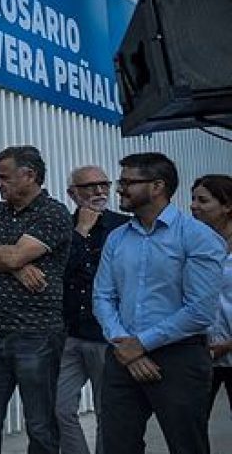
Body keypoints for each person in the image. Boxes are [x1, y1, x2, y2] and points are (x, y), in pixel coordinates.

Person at [93, 153, 224, 454]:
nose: (119, 189)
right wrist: (126, 346)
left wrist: (141, 344)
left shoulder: (198, 237)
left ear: (157, 186)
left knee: (186, 446)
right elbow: (102, 296)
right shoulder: (117, 238)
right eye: (121, 181)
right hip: (122, 355)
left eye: (128, 182)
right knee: (116, 446)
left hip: (179, 358)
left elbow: (200, 310)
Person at [0, 145, 72, 454]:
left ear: (29, 176)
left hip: (36, 334)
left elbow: (9, 255)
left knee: (39, 423)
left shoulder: (52, 213)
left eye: (4, 177)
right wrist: (16, 267)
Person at [56, 166, 128, 454]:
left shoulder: (123, 226)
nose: (99, 192)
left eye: (104, 185)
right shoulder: (63, 227)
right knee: (59, 408)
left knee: (106, 413)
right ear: (72, 193)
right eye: (90, 186)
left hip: (107, 335)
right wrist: (81, 231)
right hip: (70, 334)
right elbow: (58, 273)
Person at [192, 175, 232, 418]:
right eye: (193, 199)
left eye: (203, 200)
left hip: (226, 347)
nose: (194, 205)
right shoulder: (191, 243)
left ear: (227, 206)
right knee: (191, 425)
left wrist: (228, 345)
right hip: (201, 353)